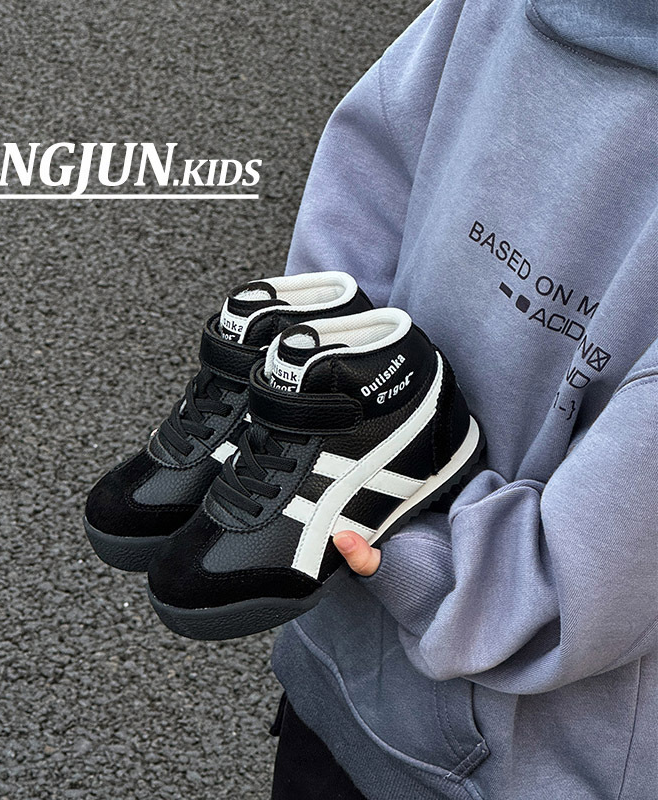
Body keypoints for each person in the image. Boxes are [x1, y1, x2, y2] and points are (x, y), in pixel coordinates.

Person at [269, 1, 658, 798]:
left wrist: (342, 488)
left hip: (467, 726)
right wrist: (310, 411)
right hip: (431, 712)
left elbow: (583, 581)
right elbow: (351, 250)